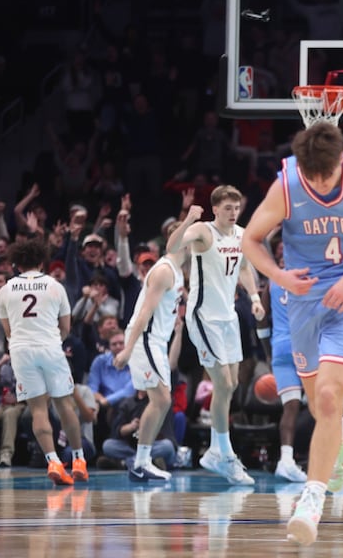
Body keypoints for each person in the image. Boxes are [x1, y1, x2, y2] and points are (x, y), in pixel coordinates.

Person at [241, 121, 343, 545]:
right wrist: (277, 275)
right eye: (309, 174)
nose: (316, 181)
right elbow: (252, 239)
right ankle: (342, 441)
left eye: (324, 174)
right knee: (320, 407)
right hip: (304, 302)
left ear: (340, 161)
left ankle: (310, 500)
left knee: (330, 395)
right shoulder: (287, 183)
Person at [167, 186, 264, 485]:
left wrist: (255, 297)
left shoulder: (242, 234)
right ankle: (223, 452)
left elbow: (245, 268)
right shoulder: (202, 231)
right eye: (228, 208)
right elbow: (171, 248)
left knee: (231, 385)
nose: (233, 213)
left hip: (228, 318)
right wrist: (187, 220)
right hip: (203, 317)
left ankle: (217, 452)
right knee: (222, 382)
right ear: (215, 209)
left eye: (236, 207)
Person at [111, 205, 197, 481]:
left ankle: (142, 460)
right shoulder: (163, 271)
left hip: (156, 341)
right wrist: (126, 349)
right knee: (160, 399)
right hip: (144, 339)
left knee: (161, 401)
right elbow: (144, 312)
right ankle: (141, 461)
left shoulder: (176, 271)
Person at [0, 239, 87, 485]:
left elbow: (8, 331)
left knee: (37, 409)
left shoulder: (5, 290)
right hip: (50, 347)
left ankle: (53, 462)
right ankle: (79, 460)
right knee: (64, 404)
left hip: (21, 351)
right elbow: (66, 328)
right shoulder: (55, 286)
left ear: (16, 264)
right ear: (41, 262)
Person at [255, 242, 307, 483]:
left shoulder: (272, 283)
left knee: (291, 407)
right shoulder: (308, 279)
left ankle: (286, 460)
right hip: (305, 348)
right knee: (322, 407)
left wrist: (267, 352)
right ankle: (334, 463)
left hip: (280, 349)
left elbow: (262, 321)